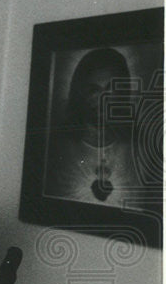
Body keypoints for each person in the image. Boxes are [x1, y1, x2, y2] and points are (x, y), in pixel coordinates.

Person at [44, 47, 145, 210]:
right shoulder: (57, 148)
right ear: (80, 93)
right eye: (93, 90)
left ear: (123, 93)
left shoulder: (139, 150)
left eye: (110, 89)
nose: (103, 98)